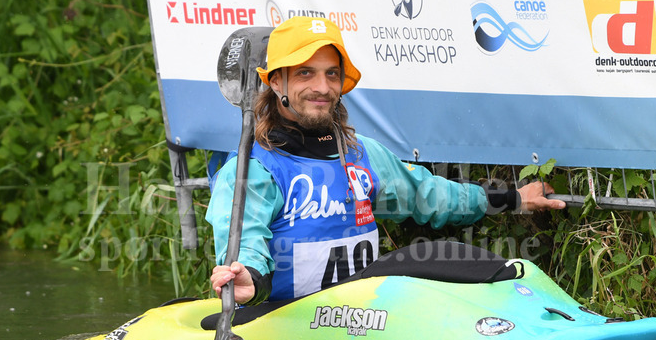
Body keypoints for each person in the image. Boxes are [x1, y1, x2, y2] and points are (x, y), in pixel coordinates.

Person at [208, 16, 565, 305]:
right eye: (305, 73)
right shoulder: (253, 170)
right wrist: (251, 278)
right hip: (290, 325)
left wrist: (513, 198)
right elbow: (245, 244)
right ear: (276, 82)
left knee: (434, 257)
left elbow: (430, 195)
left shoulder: (361, 153)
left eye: (332, 73)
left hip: (366, 322)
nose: (322, 87)